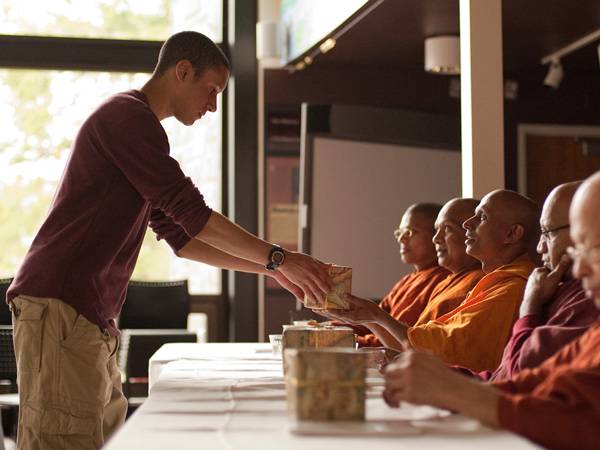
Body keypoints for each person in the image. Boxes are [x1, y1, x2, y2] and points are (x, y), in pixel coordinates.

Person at [6, 31, 331, 450]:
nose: (213, 106)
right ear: (182, 72)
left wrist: (274, 270)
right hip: (63, 304)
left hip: (87, 314)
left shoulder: (138, 129)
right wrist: (279, 258)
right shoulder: (127, 118)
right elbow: (193, 214)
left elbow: (183, 239)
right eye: (211, 90)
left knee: (97, 438)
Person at [383, 174, 600, 450]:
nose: (580, 268)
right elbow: (532, 381)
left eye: (590, 248)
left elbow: (577, 423)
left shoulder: (532, 287)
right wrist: (447, 381)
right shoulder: (562, 295)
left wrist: (454, 390)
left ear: (512, 234)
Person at [329, 190, 538, 372]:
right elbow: (417, 340)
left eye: (481, 217)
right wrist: (369, 316)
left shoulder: (511, 287)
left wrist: (374, 316)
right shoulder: (485, 281)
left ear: (512, 234)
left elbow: (445, 346)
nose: (468, 225)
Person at [471, 181, 597, 381]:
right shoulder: (554, 287)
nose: (540, 248)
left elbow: (523, 377)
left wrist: (529, 307)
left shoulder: (588, 299)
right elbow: (501, 377)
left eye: (548, 233)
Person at [357, 203, 449, 346]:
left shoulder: (441, 279)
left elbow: (400, 339)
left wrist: (347, 341)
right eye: (399, 233)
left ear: (436, 235)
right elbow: (367, 321)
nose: (401, 239)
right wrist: (331, 327)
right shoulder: (408, 280)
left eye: (409, 232)